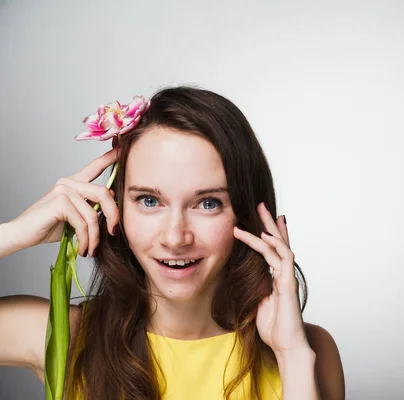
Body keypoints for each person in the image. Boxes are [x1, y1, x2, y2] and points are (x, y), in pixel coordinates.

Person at [0, 86, 345, 399]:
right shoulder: (66, 335)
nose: (175, 237)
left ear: (247, 213)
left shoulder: (308, 350)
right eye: (149, 201)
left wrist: (292, 356)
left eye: (208, 203)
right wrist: (14, 233)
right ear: (115, 207)